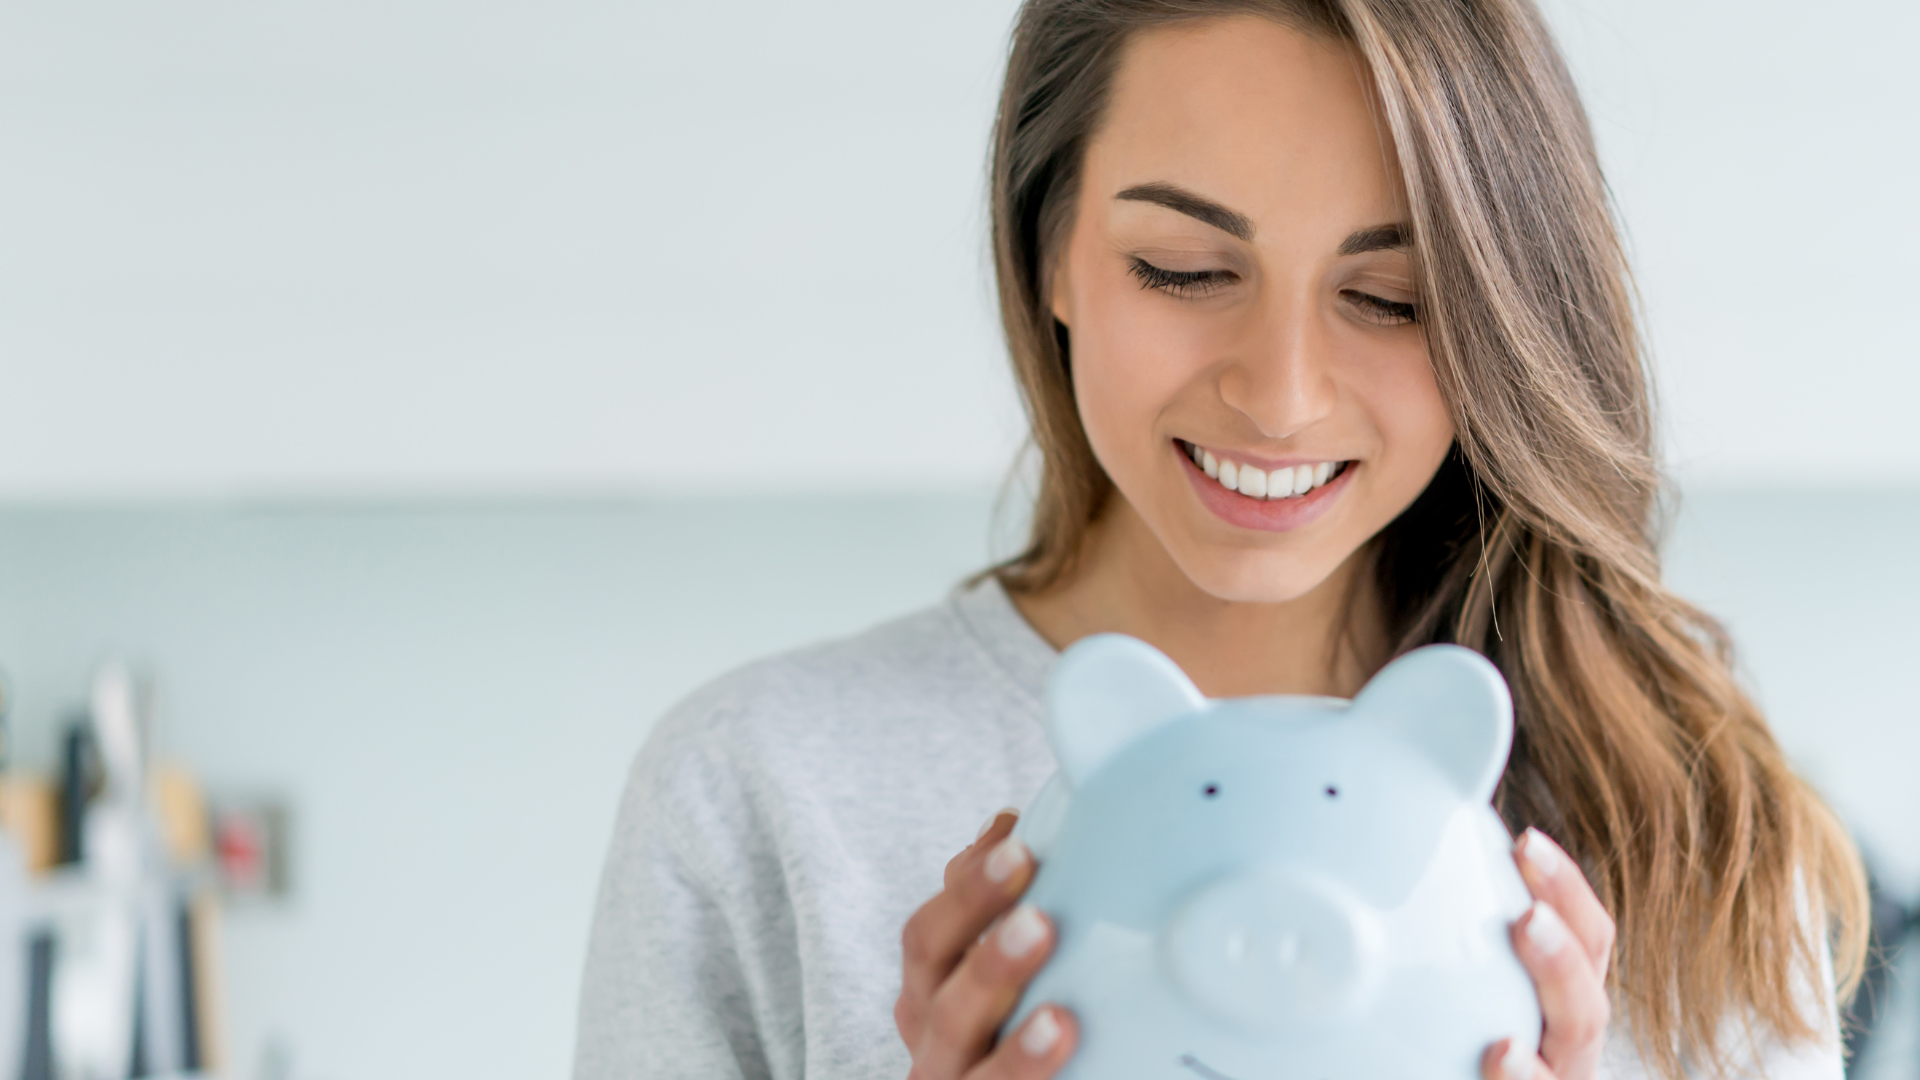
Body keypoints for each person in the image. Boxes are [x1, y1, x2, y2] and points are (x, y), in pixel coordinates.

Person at [573, 2, 1869, 1078]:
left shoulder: (1677, 828)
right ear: (1054, 256)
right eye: (1187, 270)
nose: (1281, 391)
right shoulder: (763, 795)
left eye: (1390, 296)